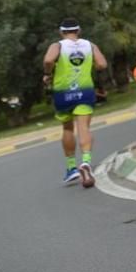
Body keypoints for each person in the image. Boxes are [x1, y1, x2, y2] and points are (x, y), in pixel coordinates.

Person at [41, 18, 108, 188]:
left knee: (67, 128)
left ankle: (71, 168)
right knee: (83, 126)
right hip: (84, 90)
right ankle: (85, 162)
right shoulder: (90, 45)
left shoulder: (57, 45)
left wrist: (48, 74)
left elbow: (48, 61)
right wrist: (89, 65)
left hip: (63, 92)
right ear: (78, 31)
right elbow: (102, 64)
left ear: (61, 32)